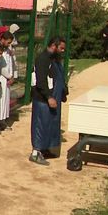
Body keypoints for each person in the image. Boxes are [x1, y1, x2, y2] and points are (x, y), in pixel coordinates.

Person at [29, 37, 68, 165]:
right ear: (53, 45)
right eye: (61, 48)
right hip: (43, 99)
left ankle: (44, 149)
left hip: (53, 97)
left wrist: (63, 92)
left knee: (50, 124)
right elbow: (41, 80)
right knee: (41, 124)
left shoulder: (54, 59)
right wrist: (49, 97)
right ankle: (35, 152)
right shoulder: (43, 59)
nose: (63, 51)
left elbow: (59, 76)